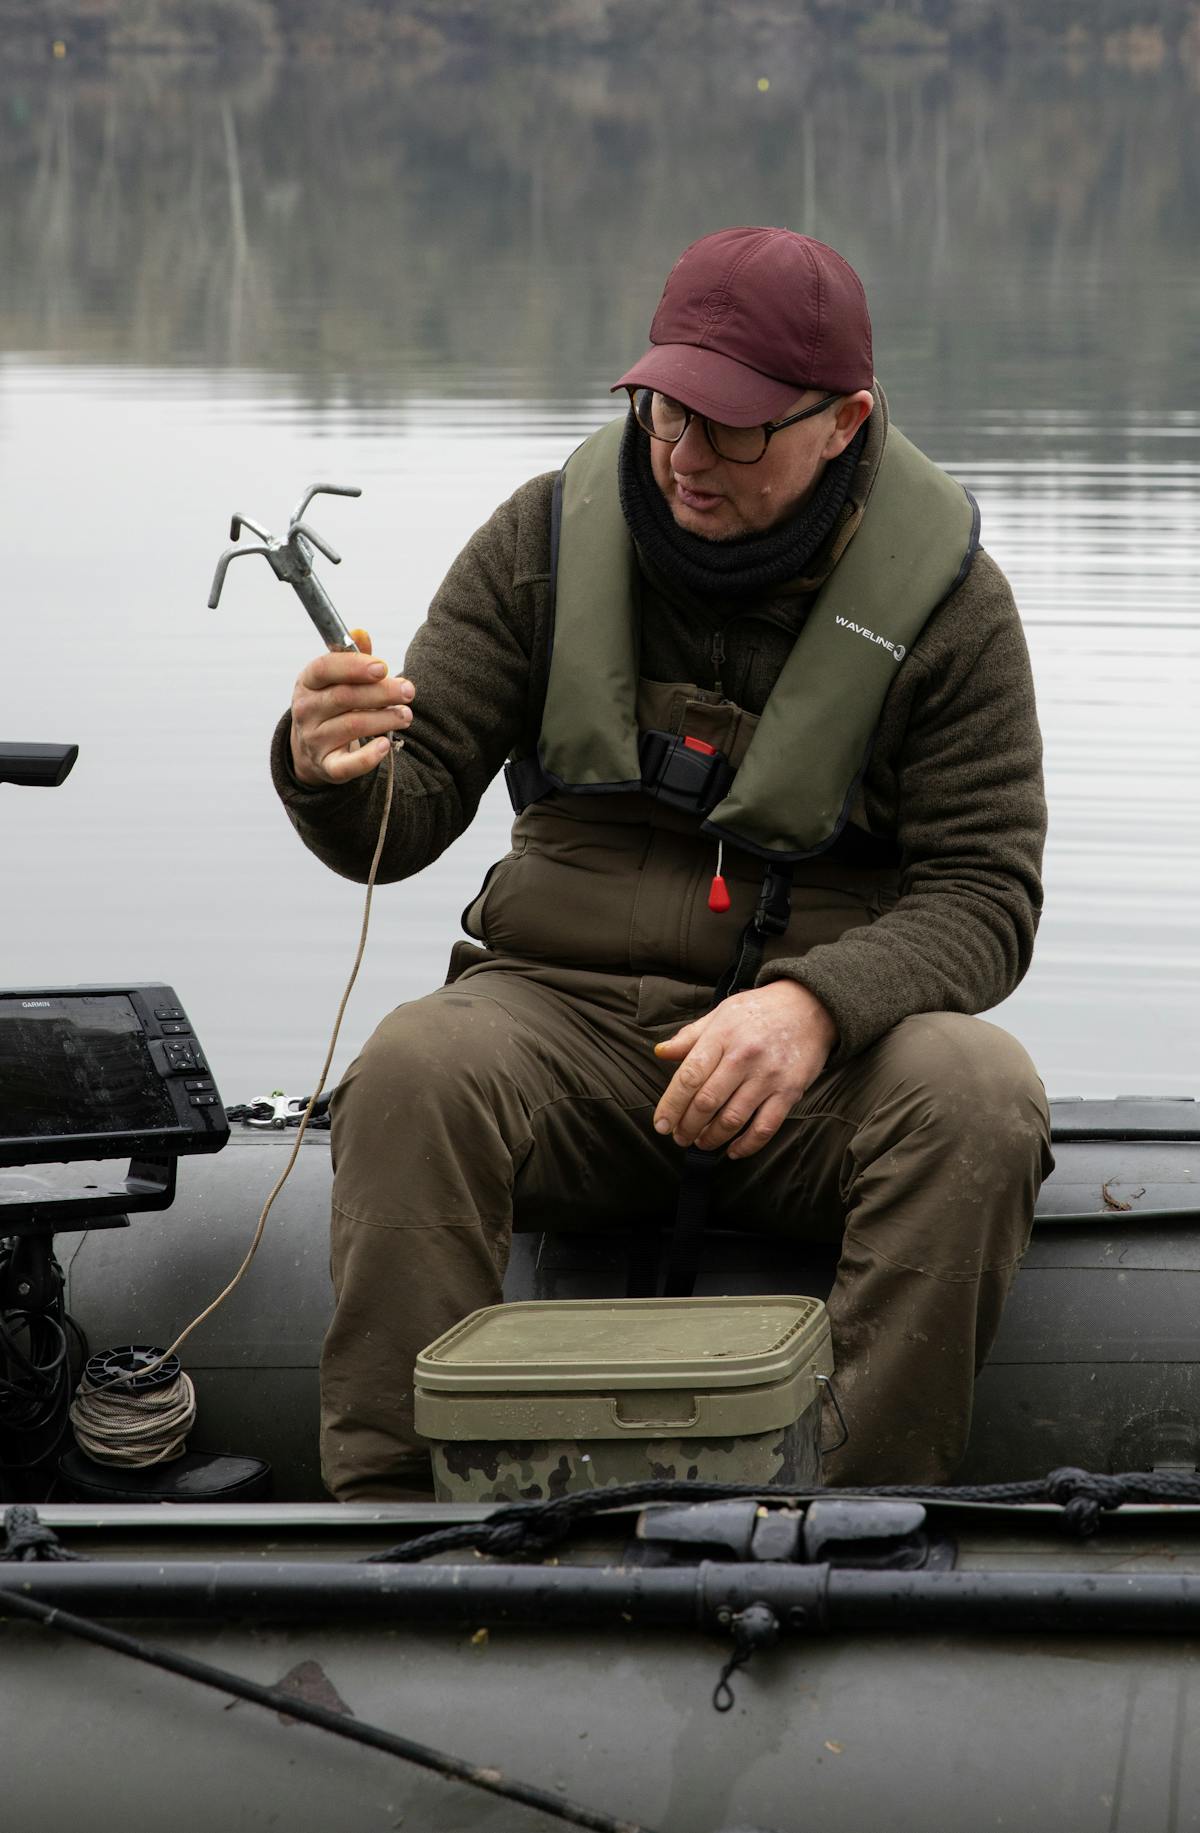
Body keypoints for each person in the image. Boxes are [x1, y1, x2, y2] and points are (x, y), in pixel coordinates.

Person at [271, 226, 1053, 1502]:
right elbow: (403, 822)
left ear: (844, 421)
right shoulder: (540, 540)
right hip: (561, 1029)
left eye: (734, 429)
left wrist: (814, 1009)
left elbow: (987, 895)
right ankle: (399, 1520)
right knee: (414, 1066)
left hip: (814, 1076)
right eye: (666, 409)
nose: (685, 455)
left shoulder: (953, 610)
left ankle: (849, 1521)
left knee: (980, 1092)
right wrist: (326, 766)